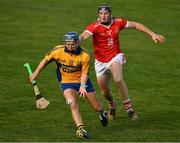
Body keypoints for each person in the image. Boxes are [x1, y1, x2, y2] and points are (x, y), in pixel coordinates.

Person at [79, 4, 166, 121]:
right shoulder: (94, 26)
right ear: (98, 15)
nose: (103, 16)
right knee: (105, 92)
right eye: (101, 14)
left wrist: (152, 34)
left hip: (115, 56)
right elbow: (83, 36)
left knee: (118, 79)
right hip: (100, 62)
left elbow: (135, 25)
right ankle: (112, 104)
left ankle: (129, 109)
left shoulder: (118, 22)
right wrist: (74, 43)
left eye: (105, 13)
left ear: (110, 14)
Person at [29, 32, 108, 139]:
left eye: (72, 44)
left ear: (77, 43)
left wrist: (83, 86)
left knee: (97, 107)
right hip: (66, 83)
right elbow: (45, 61)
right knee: (73, 104)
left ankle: (102, 113)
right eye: (68, 44)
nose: (70, 46)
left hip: (82, 82)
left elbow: (85, 73)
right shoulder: (57, 51)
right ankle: (81, 128)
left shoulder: (85, 55)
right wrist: (36, 73)